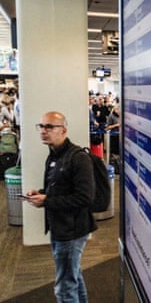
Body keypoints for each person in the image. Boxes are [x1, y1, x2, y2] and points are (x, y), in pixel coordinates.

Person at [25, 111, 97, 303]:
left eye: (49, 127)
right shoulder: (54, 155)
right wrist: (41, 193)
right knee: (73, 277)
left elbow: (85, 197)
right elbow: (60, 188)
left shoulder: (78, 157)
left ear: (63, 130)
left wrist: (47, 201)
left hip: (72, 230)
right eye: (41, 126)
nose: (43, 131)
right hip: (59, 227)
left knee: (64, 287)